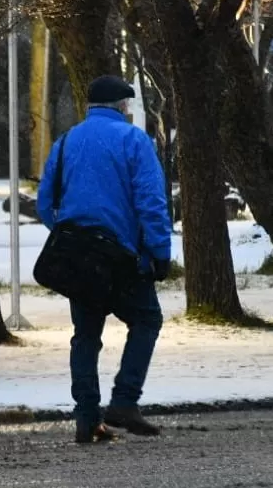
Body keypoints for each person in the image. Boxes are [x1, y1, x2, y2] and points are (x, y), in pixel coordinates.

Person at [37, 74, 172, 444]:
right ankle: (125, 401)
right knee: (146, 319)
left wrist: (68, 231)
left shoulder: (66, 142)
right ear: (123, 106)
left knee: (85, 337)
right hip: (121, 255)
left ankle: (86, 419)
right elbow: (151, 201)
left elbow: (44, 202)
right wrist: (160, 252)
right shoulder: (134, 140)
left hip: (77, 257)